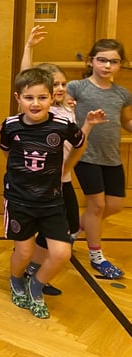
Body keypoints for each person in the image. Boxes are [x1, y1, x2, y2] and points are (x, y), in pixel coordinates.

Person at [1, 68, 105, 319]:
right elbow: (7, 152)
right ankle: (16, 280)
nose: (35, 104)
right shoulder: (10, 125)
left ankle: (36, 285)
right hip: (19, 201)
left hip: (51, 202)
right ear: (18, 98)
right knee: (23, 253)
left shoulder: (63, 125)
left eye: (42, 97)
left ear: (52, 97)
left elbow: (79, 145)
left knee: (61, 253)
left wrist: (66, 167)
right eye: (29, 98)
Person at [19, 25, 80, 295]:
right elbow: (25, 79)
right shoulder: (41, 110)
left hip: (63, 179)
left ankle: (35, 269)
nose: (60, 88)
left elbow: (77, 145)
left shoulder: (67, 110)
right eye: (54, 84)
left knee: (71, 227)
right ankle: (32, 271)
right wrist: (28, 48)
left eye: (63, 84)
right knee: (51, 230)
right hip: (43, 183)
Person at [67, 38, 132, 280]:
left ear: (120, 64)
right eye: (102, 60)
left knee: (115, 204)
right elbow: (62, 111)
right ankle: (97, 256)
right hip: (85, 155)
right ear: (91, 61)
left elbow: (126, 123)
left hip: (111, 156)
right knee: (97, 206)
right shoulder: (77, 87)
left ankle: (74, 228)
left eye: (113, 62)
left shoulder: (123, 94)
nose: (107, 65)